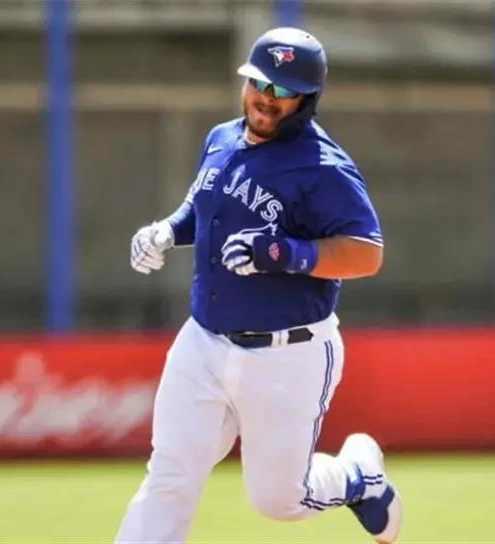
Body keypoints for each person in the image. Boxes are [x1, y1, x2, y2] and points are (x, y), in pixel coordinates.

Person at [120, 27, 401, 543]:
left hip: (285, 352)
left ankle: (358, 476)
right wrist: (167, 230)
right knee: (170, 475)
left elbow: (367, 253)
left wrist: (285, 253)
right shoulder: (222, 139)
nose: (266, 99)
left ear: (306, 100)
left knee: (278, 500)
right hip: (203, 341)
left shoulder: (324, 168)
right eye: (259, 84)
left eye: (282, 90)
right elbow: (206, 207)